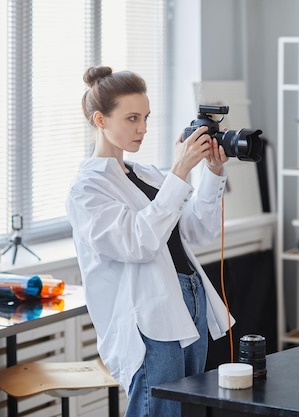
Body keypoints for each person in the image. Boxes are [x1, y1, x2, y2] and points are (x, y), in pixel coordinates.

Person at [66, 66, 234, 417]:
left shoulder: (147, 175)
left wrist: (212, 173)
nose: (142, 128)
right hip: (148, 316)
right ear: (100, 119)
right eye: (131, 118)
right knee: (158, 412)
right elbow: (138, 243)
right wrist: (180, 172)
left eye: (145, 117)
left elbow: (196, 232)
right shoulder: (87, 189)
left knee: (186, 410)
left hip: (190, 301)